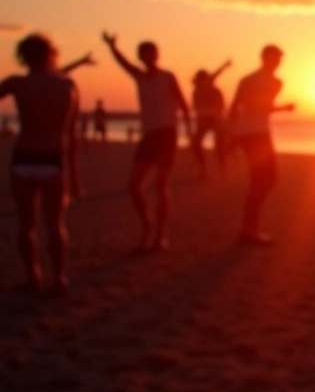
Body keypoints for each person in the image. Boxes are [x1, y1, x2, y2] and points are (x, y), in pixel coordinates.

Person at [0, 34, 81, 294]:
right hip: (52, 158)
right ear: (51, 53)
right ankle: (58, 278)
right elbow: (71, 137)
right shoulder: (67, 85)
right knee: (55, 224)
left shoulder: (16, 83)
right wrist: (76, 180)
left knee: (27, 224)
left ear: (23, 56)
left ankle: (32, 275)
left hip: (23, 157)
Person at [101, 31, 191, 252]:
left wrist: (190, 133)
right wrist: (112, 47)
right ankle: (147, 223)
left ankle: (160, 235)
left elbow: (184, 104)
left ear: (157, 55)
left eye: (151, 53)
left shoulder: (168, 77)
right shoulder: (140, 76)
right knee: (133, 187)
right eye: (144, 54)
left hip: (167, 134)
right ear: (141, 57)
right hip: (149, 135)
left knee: (161, 185)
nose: (148, 57)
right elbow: (124, 64)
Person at [229, 45, 295, 245]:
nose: (277, 63)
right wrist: (231, 135)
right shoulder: (249, 80)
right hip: (252, 134)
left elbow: (262, 108)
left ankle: (249, 229)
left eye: (279, 60)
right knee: (263, 179)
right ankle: (249, 230)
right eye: (275, 59)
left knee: (264, 180)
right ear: (264, 58)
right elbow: (239, 105)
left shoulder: (276, 82)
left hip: (260, 132)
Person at [191, 60, 232, 179]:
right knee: (202, 144)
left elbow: (216, 74)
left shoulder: (205, 84)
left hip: (212, 118)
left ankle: (220, 171)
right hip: (205, 118)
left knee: (218, 144)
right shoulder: (198, 89)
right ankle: (207, 170)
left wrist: (225, 65)